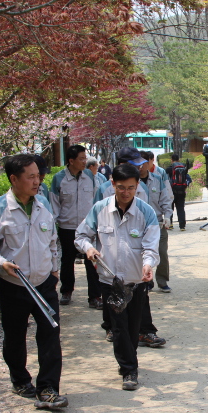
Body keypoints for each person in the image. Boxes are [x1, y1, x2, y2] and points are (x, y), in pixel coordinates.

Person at [0, 154, 67, 410]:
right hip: (13, 285)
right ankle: (20, 379)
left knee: (50, 334)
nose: (38, 181)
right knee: (15, 336)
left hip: (44, 283)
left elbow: (52, 241)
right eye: (31, 177)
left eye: (38, 175)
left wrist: (54, 271)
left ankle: (48, 388)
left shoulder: (43, 204)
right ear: (14, 179)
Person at [75, 163, 160, 391]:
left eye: (130, 188)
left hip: (137, 280)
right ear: (112, 184)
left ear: (137, 185)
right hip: (110, 280)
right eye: (120, 187)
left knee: (133, 327)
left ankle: (127, 360)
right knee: (119, 326)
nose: (125, 192)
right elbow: (81, 235)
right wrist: (88, 248)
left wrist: (148, 265)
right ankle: (129, 369)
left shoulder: (146, 212)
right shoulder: (100, 209)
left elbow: (151, 246)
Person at [49, 145, 101, 308]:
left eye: (85, 158)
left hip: (87, 227)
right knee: (67, 260)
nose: (85, 162)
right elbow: (54, 204)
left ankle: (94, 296)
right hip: (67, 226)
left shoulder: (89, 176)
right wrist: (54, 226)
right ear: (71, 161)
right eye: (81, 159)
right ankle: (66, 291)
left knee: (92, 260)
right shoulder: (59, 178)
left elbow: (95, 199)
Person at [139, 153, 173, 293]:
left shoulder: (158, 180)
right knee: (141, 254)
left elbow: (166, 199)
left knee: (162, 253)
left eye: (144, 163)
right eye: (138, 163)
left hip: (158, 223)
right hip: (139, 225)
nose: (141, 166)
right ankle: (146, 281)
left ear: (150, 163)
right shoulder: (133, 181)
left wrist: (168, 216)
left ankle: (162, 280)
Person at [166, 154, 192, 230]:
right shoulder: (183, 168)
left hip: (171, 191)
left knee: (170, 208)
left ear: (171, 160)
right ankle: (182, 226)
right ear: (179, 160)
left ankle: (170, 224)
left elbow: (165, 180)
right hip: (181, 191)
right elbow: (189, 179)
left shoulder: (168, 169)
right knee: (180, 208)